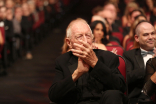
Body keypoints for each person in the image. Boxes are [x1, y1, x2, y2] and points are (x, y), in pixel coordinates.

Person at [48, 18, 127, 104]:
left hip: (102, 102)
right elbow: (53, 95)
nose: (85, 41)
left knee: (113, 94)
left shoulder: (108, 57)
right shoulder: (63, 61)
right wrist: (77, 73)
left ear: (92, 39)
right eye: (79, 36)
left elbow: (121, 86)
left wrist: (95, 64)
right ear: (69, 42)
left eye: (88, 36)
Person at [123, 20, 156, 103]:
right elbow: (128, 78)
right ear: (137, 38)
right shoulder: (129, 55)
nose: (151, 37)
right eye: (146, 35)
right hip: (139, 99)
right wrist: (149, 65)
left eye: (153, 33)